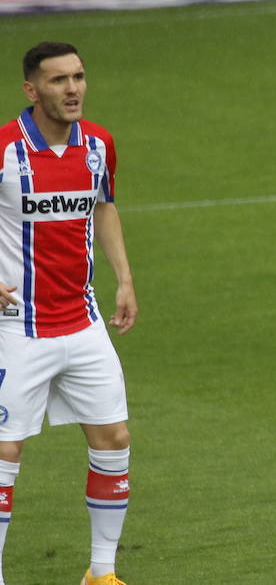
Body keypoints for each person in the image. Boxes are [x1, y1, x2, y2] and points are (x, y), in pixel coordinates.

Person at [0, 43, 137, 585]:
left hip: (83, 321)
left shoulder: (98, 144)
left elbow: (103, 206)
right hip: (16, 327)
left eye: (79, 76)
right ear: (32, 90)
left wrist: (124, 277)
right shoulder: (5, 149)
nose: (73, 89)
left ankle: (100, 573)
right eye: (58, 80)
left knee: (114, 439)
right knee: (5, 449)